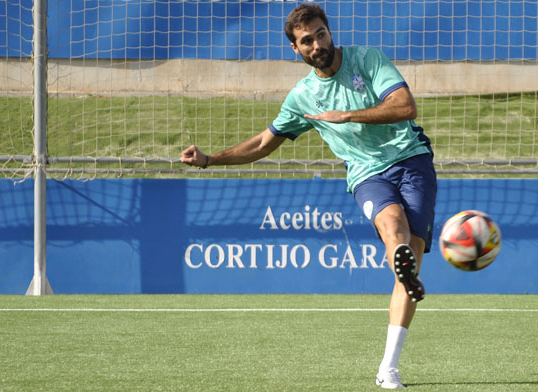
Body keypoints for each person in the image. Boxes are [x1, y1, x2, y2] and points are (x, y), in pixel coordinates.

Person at [180, 4, 437, 389]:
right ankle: (399, 270)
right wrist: (209, 160)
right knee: (392, 227)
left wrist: (346, 116)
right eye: (306, 41)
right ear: (295, 50)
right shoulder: (302, 97)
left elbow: (405, 106)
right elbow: (265, 143)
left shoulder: (368, 60)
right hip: (366, 174)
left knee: (410, 260)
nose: (316, 44)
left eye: (320, 34)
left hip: (412, 161)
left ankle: (388, 364)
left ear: (330, 33)